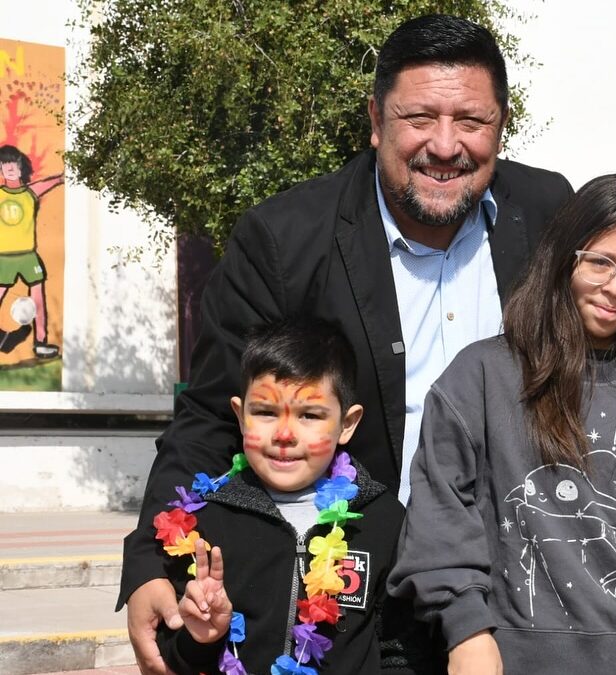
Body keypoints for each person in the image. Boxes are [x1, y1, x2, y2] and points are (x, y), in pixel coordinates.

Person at [119, 14, 573, 674]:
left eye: (471, 122)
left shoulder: (550, 213)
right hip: (358, 610)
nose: (445, 145)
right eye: (419, 117)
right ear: (376, 119)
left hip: (517, 596)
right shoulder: (285, 240)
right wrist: (147, 563)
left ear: (501, 124)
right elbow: (209, 416)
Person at [388, 174, 616, 675]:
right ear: (562, 256)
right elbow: (439, 513)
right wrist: (466, 630)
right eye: (600, 262)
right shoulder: (482, 375)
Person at [156, 317, 406, 674]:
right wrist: (201, 638)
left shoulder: (382, 520)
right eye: (266, 413)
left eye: (309, 415)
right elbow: (174, 656)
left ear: (347, 424)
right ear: (240, 417)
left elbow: (402, 649)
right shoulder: (204, 525)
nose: (285, 434)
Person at [0, 144, 64, 358]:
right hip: (4, 257)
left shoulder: (29, 192)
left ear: (21, 167)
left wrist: (63, 177)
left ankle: (40, 343)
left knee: (38, 297)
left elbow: (50, 182)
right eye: (4, 164)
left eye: (13, 163)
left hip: (28, 255)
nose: (9, 168)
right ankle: (4, 341)